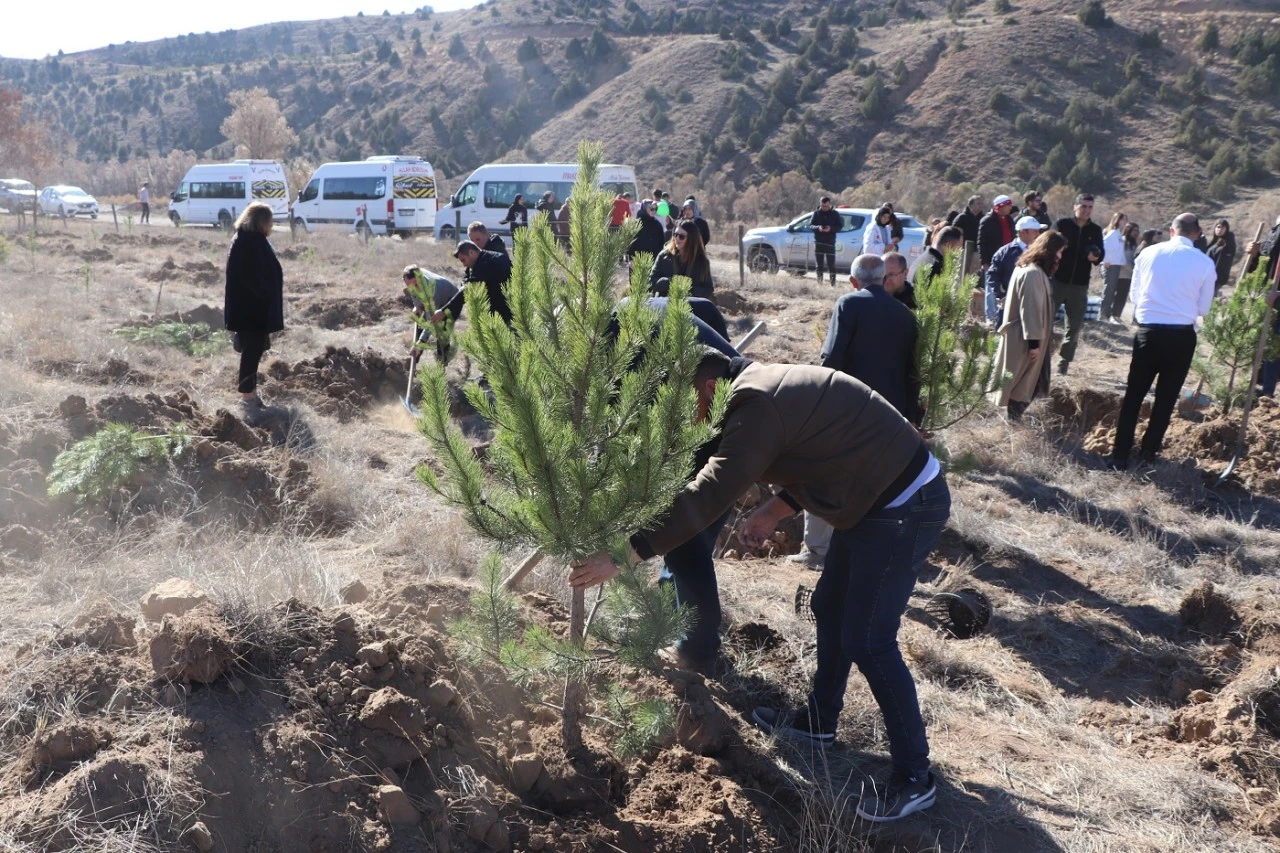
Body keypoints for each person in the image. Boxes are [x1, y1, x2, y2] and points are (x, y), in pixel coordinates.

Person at [569, 350, 951, 824]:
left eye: (684, 406)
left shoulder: (754, 405)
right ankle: (819, 724)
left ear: (708, 389)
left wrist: (624, 554)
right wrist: (775, 510)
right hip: (875, 495)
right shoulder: (763, 390)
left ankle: (916, 778)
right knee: (830, 607)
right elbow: (824, 451)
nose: (686, 422)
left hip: (904, 503)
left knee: (868, 639)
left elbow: (710, 491)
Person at [790, 254, 923, 570]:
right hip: (890, 417)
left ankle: (818, 551)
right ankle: (863, 554)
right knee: (873, 487)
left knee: (821, 476)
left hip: (848, 412)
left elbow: (831, 361)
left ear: (853, 280)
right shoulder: (906, 316)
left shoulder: (849, 305)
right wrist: (912, 421)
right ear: (884, 279)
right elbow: (913, 375)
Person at [1108, 214, 1216, 470]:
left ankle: (1120, 455)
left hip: (1148, 332)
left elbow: (1135, 295)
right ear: (1198, 233)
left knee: (1134, 395)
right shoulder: (1205, 263)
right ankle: (1148, 454)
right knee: (1166, 399)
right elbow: (1204, 308)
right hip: (1181, 336)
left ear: (1171, 230)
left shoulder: (1147, 254)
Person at [989, 231, 1066, 421]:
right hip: (1024, 341)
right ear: (1050, 251)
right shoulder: (1032, 274)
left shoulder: (1032, 271)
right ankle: (1012, 422)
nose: (1060, 257)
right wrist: (1034, 345)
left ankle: (1013, 421)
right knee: (1024, 385)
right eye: (1059, 252)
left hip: (1027, 338)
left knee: (1028, 383)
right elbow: (1030, 310)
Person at [224, 202, 283, 419]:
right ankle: (247, 396)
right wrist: (265, 293)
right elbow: (250, 277)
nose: (271, 226)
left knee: (255, 349)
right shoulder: (247, 242)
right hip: (251, 310)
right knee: (252, 351)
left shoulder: (250, 239)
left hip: (253, 309)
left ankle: (251, 393)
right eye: (269, 221)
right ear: (260, 221)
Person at [1050, 193, 1104, 375]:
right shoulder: (1062, 225)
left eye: (1090, 207)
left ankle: (1063, 363)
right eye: (1083, 206)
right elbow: (1048, 245)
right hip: (1057, 280)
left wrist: (1095, 256)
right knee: (1044, 321)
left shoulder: (1095, 230)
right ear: (1075, 207)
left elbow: (1101, 254)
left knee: (1073, 327)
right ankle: (1040, 358)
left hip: (1080, 285)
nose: (1086, 210)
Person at [433, 240, 514, 328]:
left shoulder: (487, 263)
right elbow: (466, 281)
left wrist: (444, 311)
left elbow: (469, 288)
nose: (464, 265)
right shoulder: (483, 260)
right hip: (499, 315)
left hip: (508, 316)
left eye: (463, 260)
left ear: (472, 252)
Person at [983, 216, 1046, 325]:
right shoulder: (1004, 253)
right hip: (1009, 303)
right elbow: (992, 276)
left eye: (1038, 231)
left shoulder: (1040, 253)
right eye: (1034, 231)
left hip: (1033, 303)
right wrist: (1001, 295)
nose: (1038, 234)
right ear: (1022, 232)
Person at [1242, 217, 1280, 396]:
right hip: (1266, 299)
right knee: (1262, 347)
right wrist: (1255, 255)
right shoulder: (1275, 230)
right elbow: (1263, 265)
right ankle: (1258, 391)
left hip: (1276, 300)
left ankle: (1268, 396)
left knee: (1274, 349)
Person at [403, 264, 460, 363]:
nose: (411, 288)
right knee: (420, 325)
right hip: (436, 298)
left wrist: (421, 343)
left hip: (451, 300)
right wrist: (417, 305)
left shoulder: (431, 290)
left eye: (415, 285)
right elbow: (413, 293)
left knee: (442, 332)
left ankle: (442, 363)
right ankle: (414, 358)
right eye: (408, 285)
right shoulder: (413, 277)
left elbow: (431, 322)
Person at [650, 219, 714, 299]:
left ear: (691, 238)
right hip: (665, 304)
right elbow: (651, 281)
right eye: (675, 235)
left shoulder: (701, 261)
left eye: (681, 236)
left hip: (692, 307)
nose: (677, 239)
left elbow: (708, 289)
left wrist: (687, 288)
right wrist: (670, 282)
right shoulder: (664, 256)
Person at [1099, 212, 1130, 323]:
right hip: (1110, 265)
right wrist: (1105, 260)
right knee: (1109, 290)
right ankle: (1103, 315)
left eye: (1126, 220)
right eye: (1123, 220)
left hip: (1116, 265)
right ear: (1117, 220)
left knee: (1111, 291)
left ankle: (1106, 315)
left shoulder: (1119, 235)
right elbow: (1105, 246)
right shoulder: (1112, 233)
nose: (1125, 222)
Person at [1108, 222, 1140, 324]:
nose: (1136, 233)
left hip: (1129, 274)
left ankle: (1117, 315)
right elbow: (1122, 258)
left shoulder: (1134, 243)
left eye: (1137, 230)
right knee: (1116, 295)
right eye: (1134, 230)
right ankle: (1111, 315)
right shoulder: (1123, 241)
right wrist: (1132, 270)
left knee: (1122, 296)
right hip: (1121, 273)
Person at [810, 196, 842, 287]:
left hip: (830, 242)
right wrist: (818, 228)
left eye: (826, 206)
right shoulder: (816, 213)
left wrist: (830, 229)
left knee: (831, 265)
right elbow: (811, 226)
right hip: (818, 242)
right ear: (820, 204)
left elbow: (839, 226)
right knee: (819, 265)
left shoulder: (835, 214)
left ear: (829, 204)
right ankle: (819, 284)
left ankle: (833, 284)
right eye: (823, 206)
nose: (824, 208)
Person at [977, 195, 1016, 270]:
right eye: (1008, 205)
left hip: (1009, 259)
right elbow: (981, 243)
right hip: (993, 260)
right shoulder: (987, 221)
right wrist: (984, 262)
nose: (1010, 207)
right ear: (1001, 206)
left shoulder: (1010, 220)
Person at [1205, 219, 1236, 293]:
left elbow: (1220, 266)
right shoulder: (1215, 243)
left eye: (1222, 227)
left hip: (1214, 280)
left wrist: (1212, 279)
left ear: (1226, 229)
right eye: (1218, 227)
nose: (1220, 229)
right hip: (1206, 278)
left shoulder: (1227, 245)